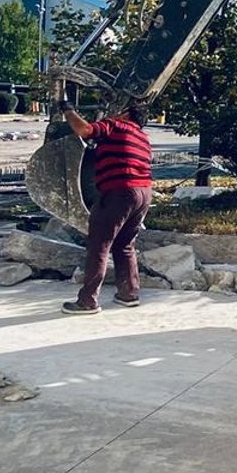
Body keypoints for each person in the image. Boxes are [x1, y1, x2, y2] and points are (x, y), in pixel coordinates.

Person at [59, 100, 154, 314]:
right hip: (144, 192)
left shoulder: (115, 126)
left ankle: (88, 301)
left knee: (99, 245)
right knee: (125, 244)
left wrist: (68, 110)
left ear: (127, 114)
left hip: (119, 191)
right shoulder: (142, 137)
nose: (115, 113)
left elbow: (84, 130)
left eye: (120, 110)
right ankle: (129, 293)